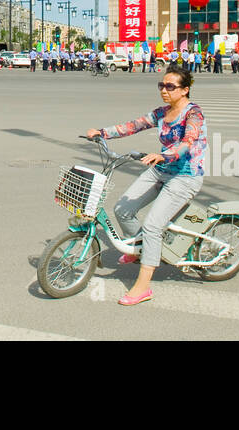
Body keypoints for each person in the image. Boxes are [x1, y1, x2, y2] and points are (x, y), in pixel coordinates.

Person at [85, 68, 207, 307]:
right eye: (162, 85)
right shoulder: (162, 113)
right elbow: (133, 125)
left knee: (152, 226)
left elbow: (187, 141)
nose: (164, 90)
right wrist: (101, 133)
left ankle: (143, 287)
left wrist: (166, 154)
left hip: (185, 176)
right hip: (161, 168)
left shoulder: (194, 114)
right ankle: (140, 249)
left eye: (170, 86)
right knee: (122, 209)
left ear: (185, 90)